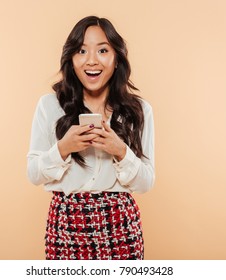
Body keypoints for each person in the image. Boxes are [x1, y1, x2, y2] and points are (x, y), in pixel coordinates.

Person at [27, 15, 155, 260]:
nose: (92, 61)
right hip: (66, 223)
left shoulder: (139, 110)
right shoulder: (49, 106)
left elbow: (146, 183)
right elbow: (33, 174)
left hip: (119, 224)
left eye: (103, 50)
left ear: (117, 59)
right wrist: (63, 148)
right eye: (81, 51)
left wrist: (121, 151)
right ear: (71, 59)